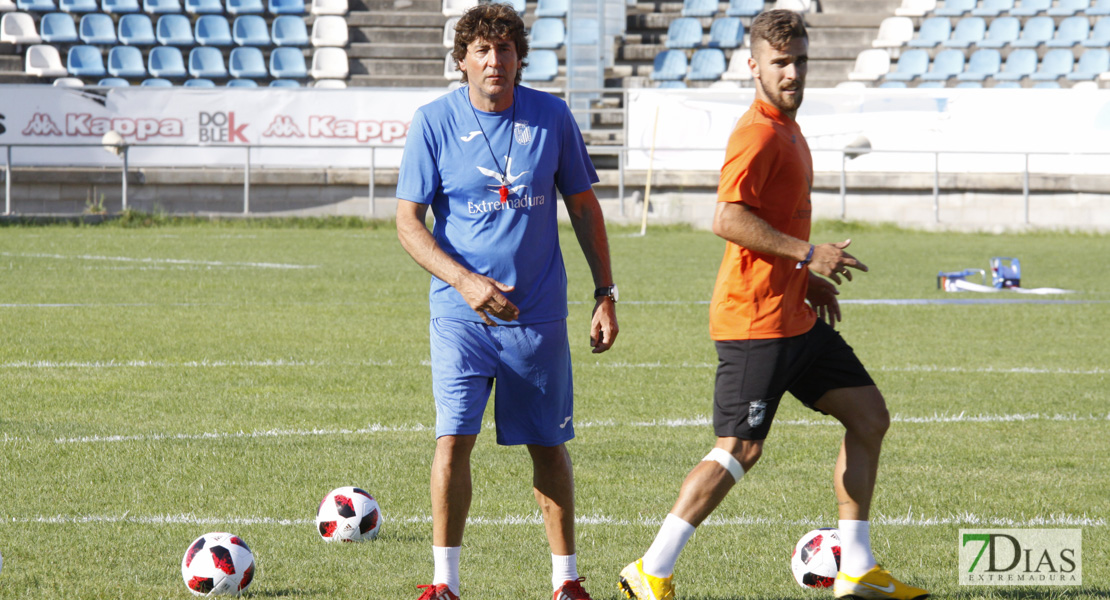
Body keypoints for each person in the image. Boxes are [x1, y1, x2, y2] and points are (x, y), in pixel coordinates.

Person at [617, 9, 929, 600]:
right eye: (781, 63)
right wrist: (808, 254)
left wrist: (805, 278)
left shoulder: (791, 128)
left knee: (869, 417)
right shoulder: (756, 132)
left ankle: (856, 569)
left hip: (794, 317)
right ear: (754, 65)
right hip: (754, 322)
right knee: (739, 449)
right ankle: (649, 570)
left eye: (801, 62)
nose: (793, 73)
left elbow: (770, 221)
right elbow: (728, 218)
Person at [395, 4, 618, 600]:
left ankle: (566, 582)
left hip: (537, 316)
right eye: (483, 51)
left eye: (507, 49)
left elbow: (584, 207)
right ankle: (444, 584)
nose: (496, 61)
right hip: (459, 316)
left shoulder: (552, 116)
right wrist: (465, 282)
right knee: (453, 440)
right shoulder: (433, 122)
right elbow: (409, 225)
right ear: (463, 60)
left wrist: (606, 292)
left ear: (521, 56)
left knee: (549, 447)